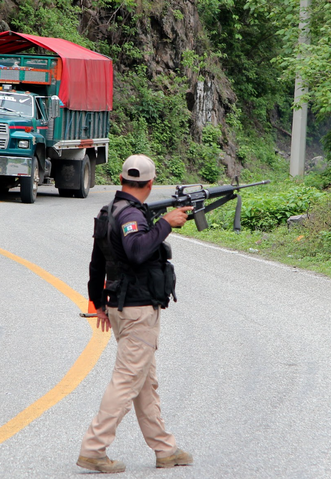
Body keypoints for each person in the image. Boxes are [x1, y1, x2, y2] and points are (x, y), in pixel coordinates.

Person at [77, 154, 194, 473]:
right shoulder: (131, 215)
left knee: (145, 381)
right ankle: (94, 448)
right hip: (137, 309)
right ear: (151, 183)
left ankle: (165, 448)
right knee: (128, 379)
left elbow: (96, 263)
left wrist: (98, 302)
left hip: (119, 306)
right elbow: (137, 250)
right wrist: (166, 224)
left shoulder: (108, 212)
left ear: (121, 179)